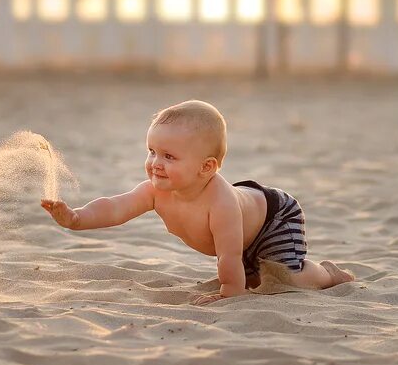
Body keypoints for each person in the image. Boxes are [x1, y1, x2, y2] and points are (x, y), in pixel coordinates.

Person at [41, 100, 354, 305]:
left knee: (285, 276)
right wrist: (77, 218)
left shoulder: (221, 202)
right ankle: (257, 273)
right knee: (257, 275)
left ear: (206, 167)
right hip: (243, 231)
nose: (155, 163)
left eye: (169, 156)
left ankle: (327, 273)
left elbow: (228, 256)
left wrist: (230, 294)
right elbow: (115, 207)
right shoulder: (156, 190)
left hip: (274, 218)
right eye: (152, 151)